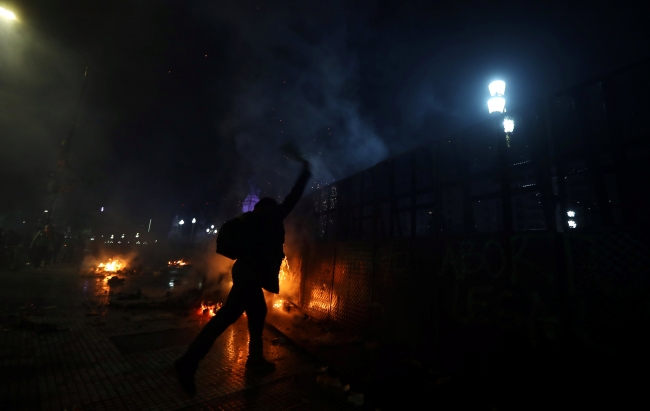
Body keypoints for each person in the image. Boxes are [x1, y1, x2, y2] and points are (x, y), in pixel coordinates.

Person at [174, 159, 311, 395]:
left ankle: (255, 360)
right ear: (271, 208)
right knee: (224, 319)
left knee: (258, 314)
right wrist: (305, 173)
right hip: (250, 276)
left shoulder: (249, 221)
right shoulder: (271, 217)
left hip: (245, 272)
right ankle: (188, 363)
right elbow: (293, 196)